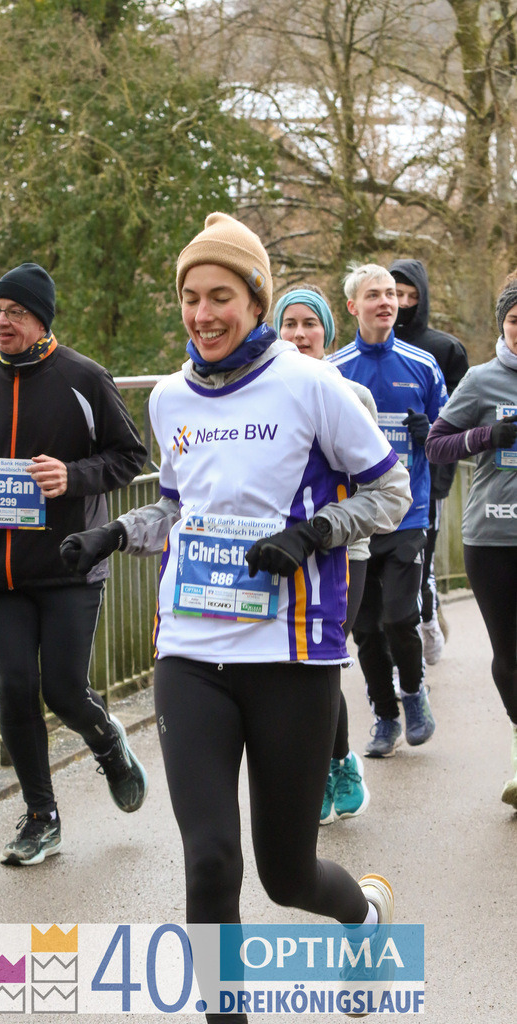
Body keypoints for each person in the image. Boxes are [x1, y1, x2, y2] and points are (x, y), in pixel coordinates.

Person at [59, 214, 412, 1024]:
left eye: (220, 296)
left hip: (291, 656)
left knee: (284, 874)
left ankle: (362, 919)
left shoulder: (313, 386)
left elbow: (390, 492)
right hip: (190, 654)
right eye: (189, 298)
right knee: (210, 861)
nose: (202, 314)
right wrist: (115, 532)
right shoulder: (170, 397)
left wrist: (312, 533)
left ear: (253, 300)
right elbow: (181, 512)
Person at [0, 262, 148, 866]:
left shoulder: (84, 378)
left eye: (15, 313)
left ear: (41, 320)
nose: (1, 323)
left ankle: (107, 742)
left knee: (63, 690)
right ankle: (40, 816)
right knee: (15, 690)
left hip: (67, 562)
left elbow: (131, 456)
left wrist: (71, 476)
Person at [330, 263, 447, 758]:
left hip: (409, 513)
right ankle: (384, 715)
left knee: (402, 616)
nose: (385, 302)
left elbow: (448, 435)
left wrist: (429, 436)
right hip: (357, 518)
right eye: (373, 295)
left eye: (390, 295)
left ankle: (414, 693)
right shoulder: (334, 371)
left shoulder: (423, 365)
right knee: (366, 627)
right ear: (353, 307)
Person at [273, 286, 375, 825]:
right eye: (288, 324)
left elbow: (373, 486)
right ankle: (321, 765)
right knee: (292, 668)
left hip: (341, 551)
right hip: (279, 552)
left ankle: (336, 765)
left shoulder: (352, 395)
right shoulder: (265, 395)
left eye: (309, 324)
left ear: (328, 334)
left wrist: (322, 528)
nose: (298, 334)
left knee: (323, 661)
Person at [426, 279, 517, 808]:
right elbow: (436, 445)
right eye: (515, 321)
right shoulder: (482, 381)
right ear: (503, 323)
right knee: (508, 654)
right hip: (493, 536)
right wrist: (487, 437)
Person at [389, 259, 469, 664]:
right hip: (378, 477)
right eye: (394, 294)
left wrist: (434, 426)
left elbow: (463, 413)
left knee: (421, 558)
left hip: (429, 474)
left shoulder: (445, 349)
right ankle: (394, 640)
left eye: (410, 297)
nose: (401, 304)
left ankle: (427, 627)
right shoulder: (361, 353)